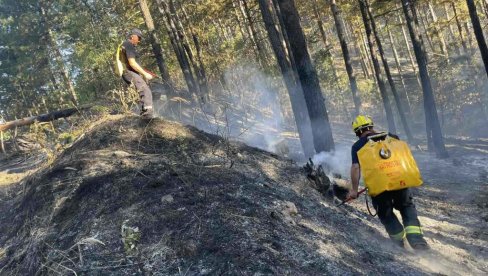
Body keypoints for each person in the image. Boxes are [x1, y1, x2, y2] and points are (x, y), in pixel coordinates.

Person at [348, 115, 429, 250]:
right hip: (400, 181)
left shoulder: (358, 146)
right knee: (407, 207)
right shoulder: (392, 137)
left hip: (379, 188)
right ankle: (417, 241)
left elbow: (356, 167)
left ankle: (398, 243)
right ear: (371, 127)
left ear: (357, 132)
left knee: (386, 214)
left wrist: (354, 190)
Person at [119, 28, 154, 118]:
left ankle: (144, 114)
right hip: (128, 72)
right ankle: (147, 116)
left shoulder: (126, 45)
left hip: (128, 72)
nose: (139, 41)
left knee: (143, 91)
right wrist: (145, 74)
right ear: (133, 36)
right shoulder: (128, 44)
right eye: (139, 38)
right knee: (145, 91)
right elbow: (132, 63)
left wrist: (142, 72)